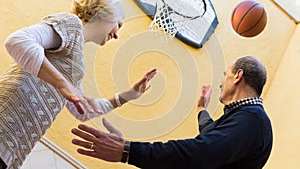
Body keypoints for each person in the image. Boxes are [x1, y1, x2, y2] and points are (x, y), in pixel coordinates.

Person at [0, 0, 157, 169]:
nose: (117, 34)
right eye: (118, 25)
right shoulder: (71, 23)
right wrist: (64, 85)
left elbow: (82, 110)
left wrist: (127, 96)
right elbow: (18, 41)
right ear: (105, 13)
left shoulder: (75, 61)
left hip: (13, 149)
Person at [71, 56, 273, 169]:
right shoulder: (246, 117)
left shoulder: (252, 119)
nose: (221, 83)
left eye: (225, 75)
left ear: (238, 76)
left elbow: (200, 152)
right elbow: (211, 135)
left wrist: (128, 151)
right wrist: (201, 108)